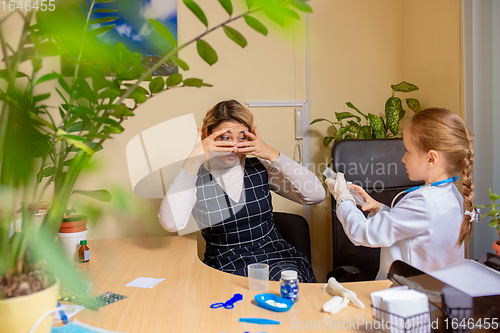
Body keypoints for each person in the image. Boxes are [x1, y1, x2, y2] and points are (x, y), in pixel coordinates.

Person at [159, 100, 325, 282]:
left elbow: (316, 195)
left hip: (274, 259)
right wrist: (193, 160)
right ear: (207, 134)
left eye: (242, 137)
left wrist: (271, 154)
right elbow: (171, 224)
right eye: (225, 137)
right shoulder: (194, 175)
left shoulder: (260, 168)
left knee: (284, 287)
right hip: (226, 265)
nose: (235, 147)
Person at [327, 108, 474, 280]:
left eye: (408, 151)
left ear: (431, 159)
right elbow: (414, 228)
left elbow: (361, 232)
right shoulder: (451, 193)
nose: (403, 158)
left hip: (409, 294)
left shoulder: (425, 202)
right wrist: (380, 209)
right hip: (436, 290)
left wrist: (343, 200)